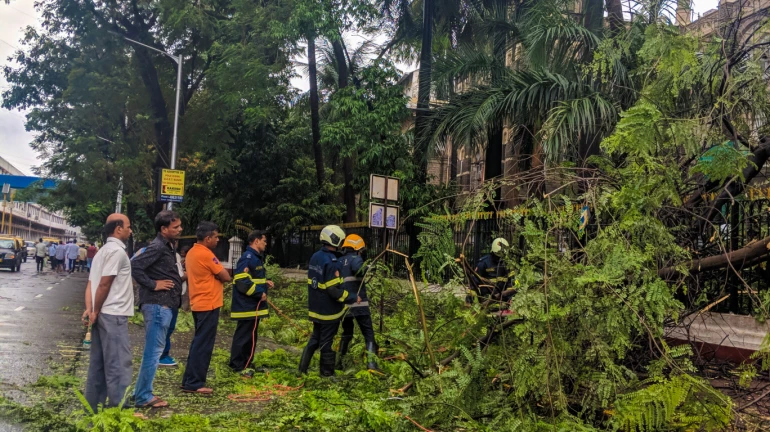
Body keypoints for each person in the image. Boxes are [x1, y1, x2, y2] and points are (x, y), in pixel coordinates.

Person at [130, 210, 183, 409]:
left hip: (164, 305)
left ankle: (140, 393)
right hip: (158, 305)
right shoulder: (158, 246)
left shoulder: (168, 246)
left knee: (154, 351)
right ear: (164, 229)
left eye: (179, 226)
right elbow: (135, 265)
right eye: (176, 227)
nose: (180, 229)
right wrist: (153, 284)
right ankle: (143, 397)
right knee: (153, 352)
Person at [82, 213, 133, 412]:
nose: (130, 230)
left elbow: (90, 284)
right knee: (119, 365)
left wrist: (91, 309)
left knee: (99, 365)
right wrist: (94, 310)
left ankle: (92, 408)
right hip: (113, 313)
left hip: (102, 312)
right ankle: (120, 411)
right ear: (118, 228)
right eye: (128, 226)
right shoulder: (117, 252)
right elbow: (104, 283)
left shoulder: (102, 251)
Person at [298, 225, 360, 377]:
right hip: (328, 311)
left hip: (316, 308)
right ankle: (327, 374)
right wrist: (352, 297)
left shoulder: (316, 256)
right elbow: (333, 291)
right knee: (326, 342)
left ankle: (302, 369)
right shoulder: (332, 262)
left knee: (315, 338)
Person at [181, 222, 231, 394]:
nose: (218, 240)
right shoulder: (206, 254)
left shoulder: (191, 253)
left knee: (198, 342)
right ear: (208, 238)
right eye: (216, 237)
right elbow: (225, 276)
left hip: (198, 302)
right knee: (203, 344)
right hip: (209, 303)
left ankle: (188, 379)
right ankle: (195, 382)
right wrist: (219, 276)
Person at [229, 230, 272, 377]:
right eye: (264, 241)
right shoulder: (248, 258)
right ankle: (238, 366)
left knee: (250, 336)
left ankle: (246, 363)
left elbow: (252, 278)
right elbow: (241, 281)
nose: (266, 244)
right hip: (247, 306)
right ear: (256, 241)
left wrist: (265, 282)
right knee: (244, 337)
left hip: (252, 306)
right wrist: (259, 293)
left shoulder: (255, 258)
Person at [336, 234, 378, 371]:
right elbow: (359, 270)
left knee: (347, 333)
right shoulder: (356, 258)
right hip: (359, 304)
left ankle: (339, 362)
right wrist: (369, 268)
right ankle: (372, 364)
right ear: (357, 248)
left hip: (344, 304)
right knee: (368, 333)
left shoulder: (339, 260)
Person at [468, 238, 516, 307]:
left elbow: (512, 283)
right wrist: (469, 300)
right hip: (487, 300)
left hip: (503, 301)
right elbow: (474, 283)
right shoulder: (484, 263)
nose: (500, 259)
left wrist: (510, 299)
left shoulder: (508, 264)